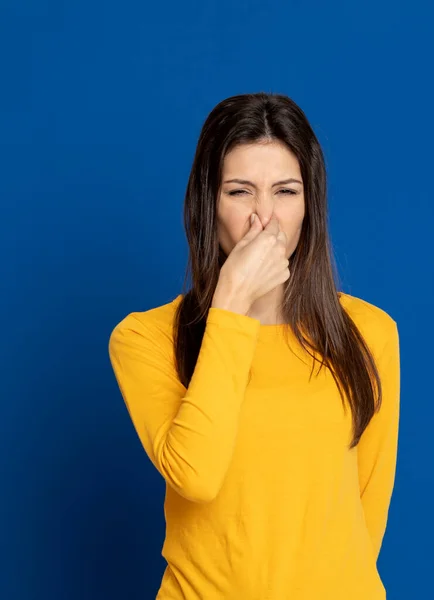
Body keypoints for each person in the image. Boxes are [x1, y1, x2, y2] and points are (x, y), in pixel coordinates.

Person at [108, 91, 401, 599]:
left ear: (310, 205)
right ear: (208, 203)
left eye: (286, 191)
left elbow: (367, 508)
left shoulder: (369, 332)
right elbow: (196, 475)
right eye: (240, 192)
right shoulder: (144, 338)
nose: (264, 218)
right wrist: (232, 304)